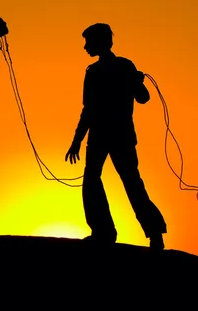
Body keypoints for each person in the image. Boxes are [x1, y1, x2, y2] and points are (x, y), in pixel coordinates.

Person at [65, 23, 167, 250]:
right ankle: (141, 233)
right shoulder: (116, 68)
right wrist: (77, 140)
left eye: (88, 42)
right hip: (111, 136)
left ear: (99, 42)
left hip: (110, 136)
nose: (85, 47)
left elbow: (141, 97)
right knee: (119, 182)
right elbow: (90, 109)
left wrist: (77, 141)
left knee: (120, 182)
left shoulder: (108, 70)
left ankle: (111, 232)